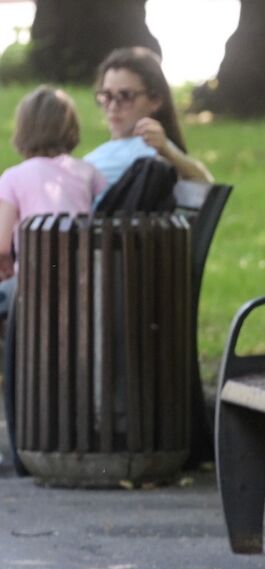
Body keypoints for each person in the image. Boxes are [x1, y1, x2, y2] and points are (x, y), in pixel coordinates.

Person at [1, 86, 109, 467]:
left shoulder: (13, 177)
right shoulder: (89, 173)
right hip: (82, 289)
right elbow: (104, 222)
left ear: (23, 130)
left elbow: (1, 246)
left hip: (30, 290)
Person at [85, 46, 212, 195]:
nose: (113, 106)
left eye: (126, 96)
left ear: (155, 101)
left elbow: (207, 191)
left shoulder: (150, 153)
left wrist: (167, 151)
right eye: (107, 95)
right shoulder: (108, 151)